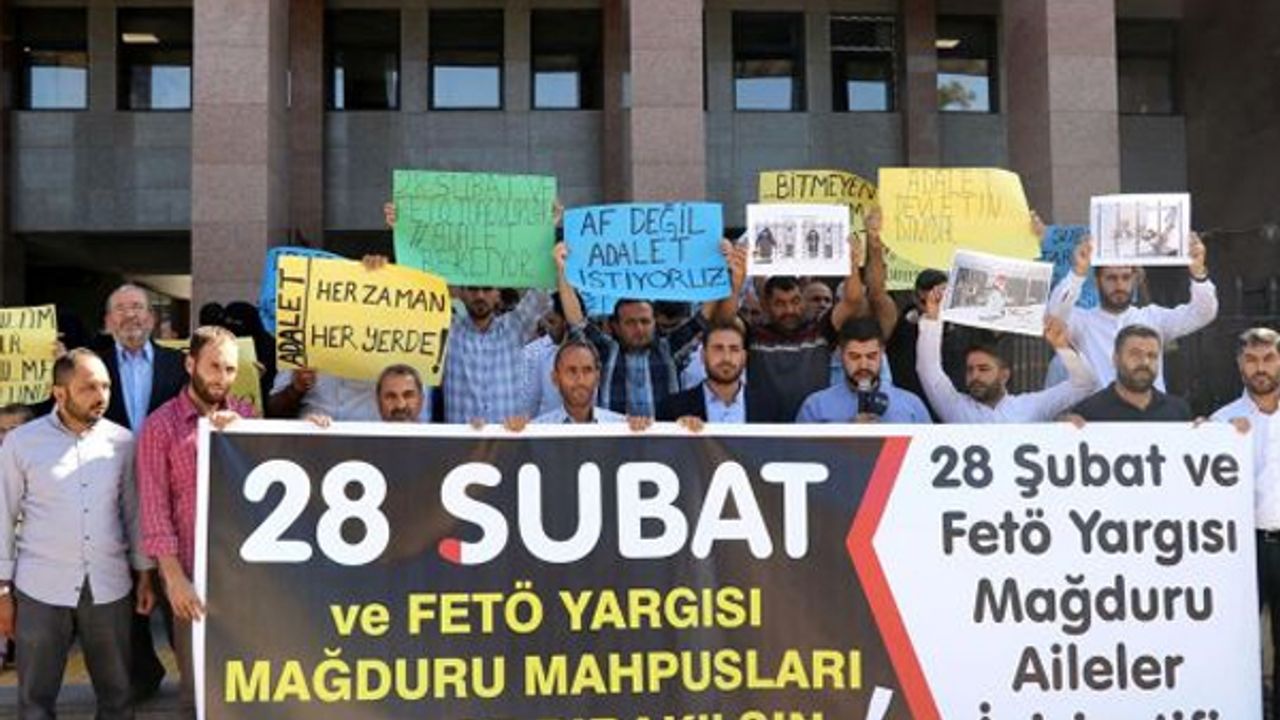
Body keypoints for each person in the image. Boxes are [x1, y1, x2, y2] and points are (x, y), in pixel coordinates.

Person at [0, 350, 155, 720]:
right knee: (35, 703)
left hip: (109, 585)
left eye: (106, 386)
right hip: (40, 588)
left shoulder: (122, 441)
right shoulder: (21, 443)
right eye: (89, 388)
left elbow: (134, 511)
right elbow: (3, 514)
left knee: (118, 699)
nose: (101, 396)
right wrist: (2, 589)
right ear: (59, 393)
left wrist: (145, 574)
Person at [137, 326, 256, 709]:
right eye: (214, 366)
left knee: (249, 683)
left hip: (248, 577)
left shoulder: (248, 416)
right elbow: (154, 508)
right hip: (192, 578)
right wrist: (173, 579)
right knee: (198, 689)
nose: (222, 378)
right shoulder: (159, 426)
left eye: (230, 369)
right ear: (190, 364)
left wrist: (313, 427)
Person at [383, 201, 557, 425]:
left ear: (498, 293)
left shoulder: (515, 327)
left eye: (487, 289)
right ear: (461, 292)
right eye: (473, 289)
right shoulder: (446, 331)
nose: (480, 295)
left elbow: (541, 290)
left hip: (508, 441)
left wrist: (547, 230)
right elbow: (413, 294)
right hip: (460, 443)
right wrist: (400, 233)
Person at [91, 283, 183, 699]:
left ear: (153, 317)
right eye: (121, 308)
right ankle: (142, 676)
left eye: (139, 307)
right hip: (109, 492)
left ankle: (194, 676)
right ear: (108, 320)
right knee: (124, 592)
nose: (131, 315)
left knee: (173, 587)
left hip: (169, 492)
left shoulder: (179, 364)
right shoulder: (90, 367)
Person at [555, 241, 744, 418]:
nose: (639, 328)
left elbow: (702, 319)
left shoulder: (668, 349)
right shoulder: (606, 351)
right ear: (616, 326)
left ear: (655, 322)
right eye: (630, 322)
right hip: (615, 440)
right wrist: (563, 271)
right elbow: (577, 322)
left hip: (664, 439)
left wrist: (722, 267)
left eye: (645, 321)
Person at [738, 216, 897, 423]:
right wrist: (737, 277)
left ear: (803, 300)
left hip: (814, 424)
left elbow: (853, 300)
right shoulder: (754, 336)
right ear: (766, 306)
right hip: (765, 431)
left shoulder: (820, 331)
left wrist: (851, 265)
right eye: (780, 303)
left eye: (795, 301)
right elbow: (723, 319)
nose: (789, 309)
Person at [1209, 327, 1280, 712]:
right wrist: (1204, 439)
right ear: (1239, 366)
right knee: (1236, 638)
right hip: (1241, 548)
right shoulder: (1221, 423)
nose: (1260, 368)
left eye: (1268, 358)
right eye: (1251, 360)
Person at [1047, 231, 1217, 389]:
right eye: (1111, 278)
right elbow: (1054, 315)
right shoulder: (1083, 322)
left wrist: (1198, 272)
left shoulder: (1153, 318)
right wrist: (1078, 272)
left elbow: (1203, 313)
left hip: (1150, 411)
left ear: (1134, 280)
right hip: (1101, 411)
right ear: (1097, 281)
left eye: (1126, 277)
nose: (1119, 285)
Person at [915, 285, 1098, 422]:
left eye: (983, 369)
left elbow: (1084, 385)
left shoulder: (1030, 407)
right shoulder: (956, 408)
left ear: (1004, 375)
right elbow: (928, 369)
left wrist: (1062, 346)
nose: (974, 376)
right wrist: (933, 318)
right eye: (970, 370)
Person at [796, 318, 931, 424]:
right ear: (841, 354)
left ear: (882, 353)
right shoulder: (815, 408)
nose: (863, 365)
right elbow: (801, 450)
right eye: (854, 357)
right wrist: (845, 434)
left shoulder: (911, 405)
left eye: (871, 356)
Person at [503, 338, 648, 429]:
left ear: (598, 377)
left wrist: (642, 433)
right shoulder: (537, 430)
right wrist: (514, 437)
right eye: (571, 371)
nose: (580, 380)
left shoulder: (621, 427)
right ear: (555, 378)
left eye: (587, 370)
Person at [1064, 324, 1192, 422]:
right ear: (1116, 359)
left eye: (1152, 355)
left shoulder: (1178, 411)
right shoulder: (1089, 413)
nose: (1145, 362)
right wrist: (1064, 428)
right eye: (1135, 354)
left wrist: (1200, 432)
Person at [657, 319, 761, 428]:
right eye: (718, 349)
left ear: (744, 357)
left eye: (734, 349)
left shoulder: (768, 407)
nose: (726, 358)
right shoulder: (673, 409)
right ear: (703, 355)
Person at [520, 294, 568, 418]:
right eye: (547, 321)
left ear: (567, 322)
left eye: (552, 322)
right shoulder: (534, 353)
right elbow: (529, 402)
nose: (548, 328)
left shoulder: (594, 351)